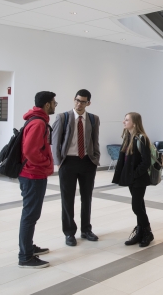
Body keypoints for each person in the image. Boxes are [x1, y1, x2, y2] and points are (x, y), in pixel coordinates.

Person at [51, 89, 101, 247]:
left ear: (88, 103)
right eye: (77, 100)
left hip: (87, 162)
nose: (79, 104)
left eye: (83, 102)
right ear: (74, 100)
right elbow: (55, 142)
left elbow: (95, 140)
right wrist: (59, 162)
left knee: (87, 198)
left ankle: (86, 230)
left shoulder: (93, 119)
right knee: (67, 199)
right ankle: (69, 233)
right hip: (68, 163)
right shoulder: (62, 117)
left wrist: (95, 158)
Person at [18, 91, 57, 269]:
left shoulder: (37, 120)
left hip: (33, 174)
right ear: (47, 104)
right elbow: (30, 151)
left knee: (32, 214)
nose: (55, 105)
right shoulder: (39, 123)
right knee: (30, 215)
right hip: (33, 174)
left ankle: (28, 247)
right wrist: (46, 163)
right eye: (54, 102)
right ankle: (25, 256)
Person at [112, 112, 154, 248]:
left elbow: (146, 162)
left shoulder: (142, 139)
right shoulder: (128, 137)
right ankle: (140, 232)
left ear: (134, 123)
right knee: (139, 205)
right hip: (132, 178)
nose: (124, 122)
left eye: (126, 120)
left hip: (139, 179)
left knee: (136, 206)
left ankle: (148, 232)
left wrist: (134, 174)